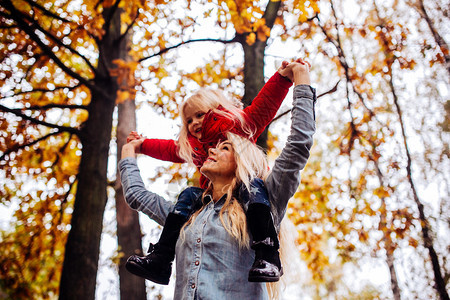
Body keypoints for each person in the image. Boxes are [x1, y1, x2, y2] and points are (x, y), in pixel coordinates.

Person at [119, 59, 316, 299]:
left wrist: (292, 77)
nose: (210, 150)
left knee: (253, 188)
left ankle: (266, 253)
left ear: (242, 155)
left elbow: (291, 137)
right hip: (201, 204)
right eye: (188, 121)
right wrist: (132, 151)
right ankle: (161, 258)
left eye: (224, 148)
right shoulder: (189, 215)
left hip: (252, 193)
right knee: (188, 194)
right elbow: (138, 193)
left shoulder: (242, 135)